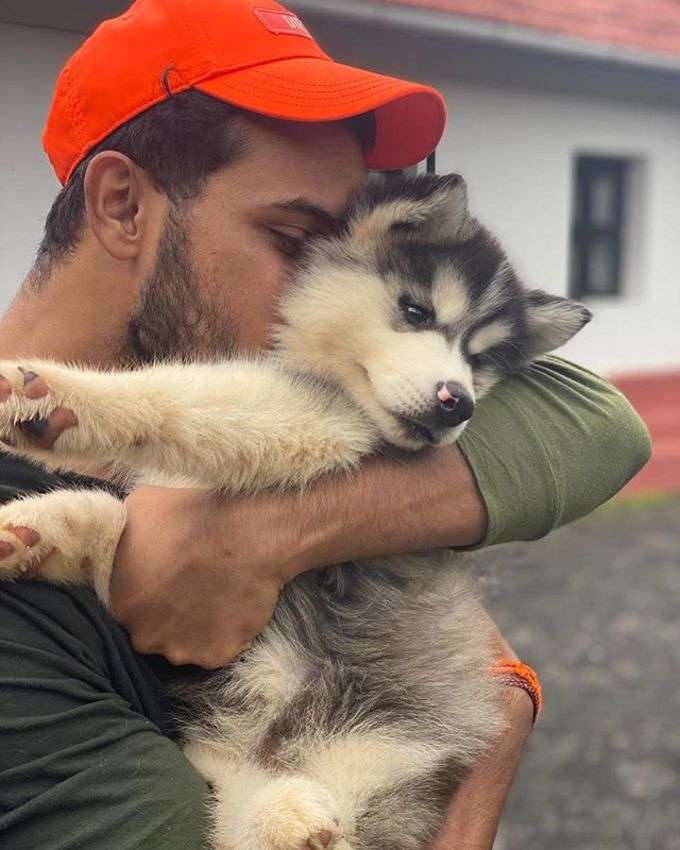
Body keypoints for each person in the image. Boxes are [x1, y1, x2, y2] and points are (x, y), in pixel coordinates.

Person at [0, 1, 650, 848]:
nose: (338, 281)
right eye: (300, 236)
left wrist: (266, 531)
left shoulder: (316, 391)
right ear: (123, 206)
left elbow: (596, 417)